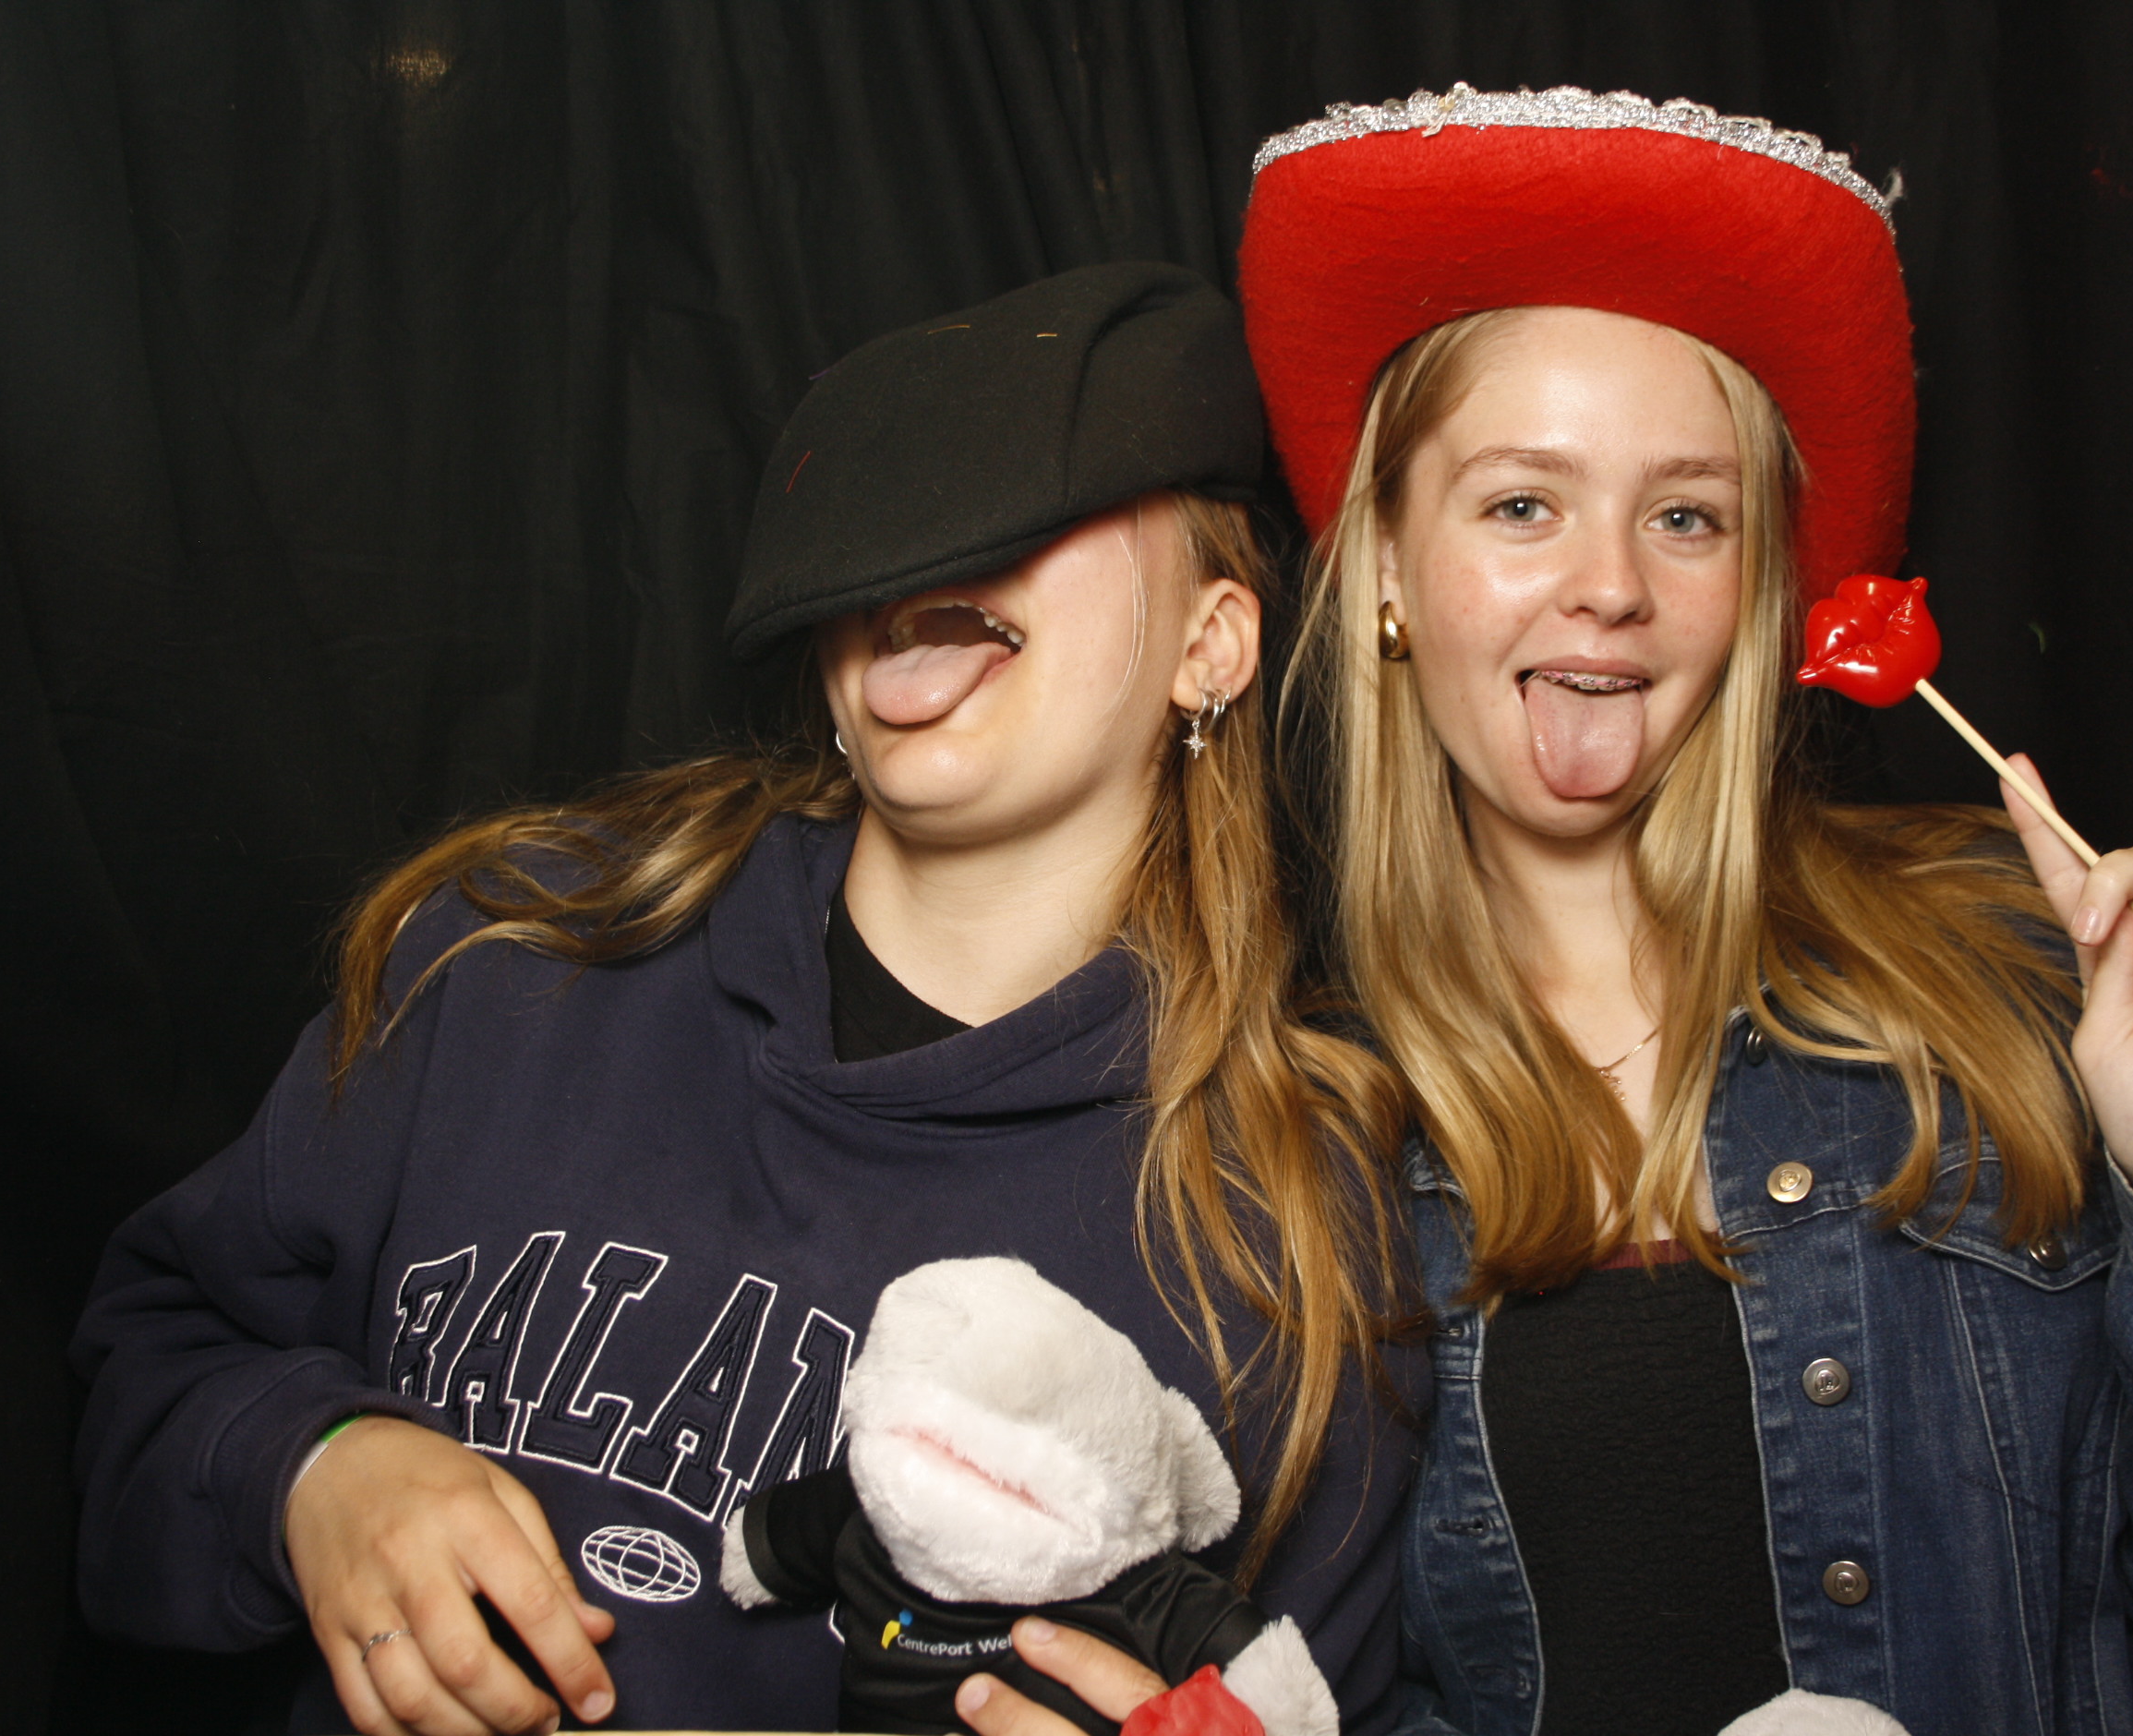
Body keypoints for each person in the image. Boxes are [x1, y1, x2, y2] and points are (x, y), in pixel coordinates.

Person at [70, 262, 1417, 1736]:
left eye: (1018, 512)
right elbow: (144, 1382)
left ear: (1211, 644)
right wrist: (310, 1469)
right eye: (880, 530)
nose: (924, 559)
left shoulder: (1292, 1228)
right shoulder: (515, 961)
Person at [1219, 87, 2133, 1736]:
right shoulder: (1296, 1117)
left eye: (1687, 515)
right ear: (1387, 575)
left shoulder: (2006, 963)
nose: (1613, 581)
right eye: (1520, 504)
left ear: (1765, 588)